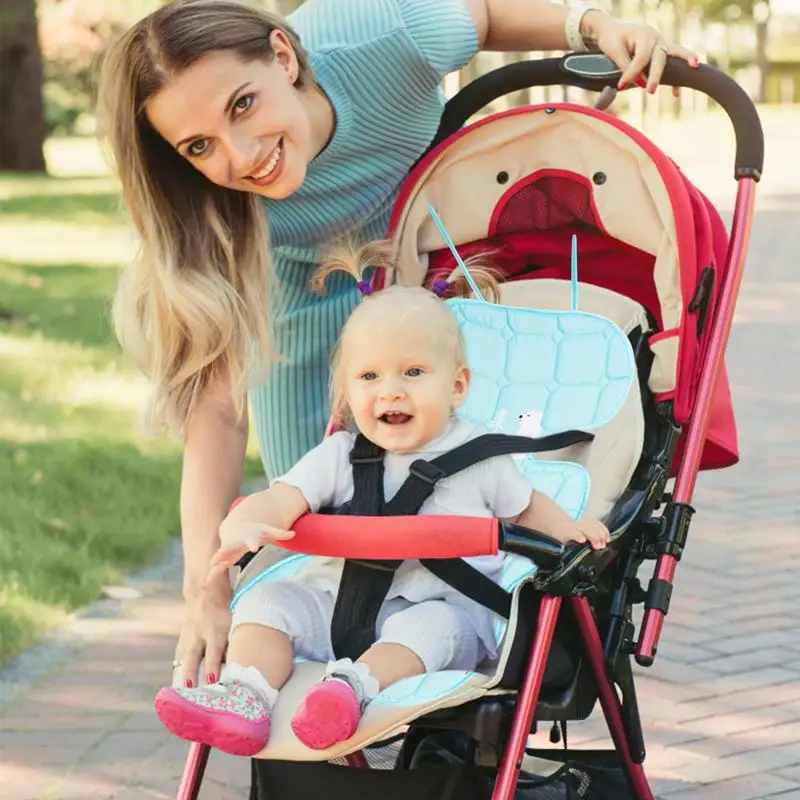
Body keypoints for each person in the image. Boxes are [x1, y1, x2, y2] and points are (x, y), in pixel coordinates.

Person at [95, 0, 698, 699]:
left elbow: (487, 11)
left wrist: (595, 28)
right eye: (198, 146)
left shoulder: (385, 37)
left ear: (284, 58)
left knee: (459, 492)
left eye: (243, 105)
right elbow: (218, 415)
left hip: (433, 255)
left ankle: (447, 712)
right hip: (299, 294)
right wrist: (204, 589)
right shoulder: (210, 211)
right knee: (325, 545)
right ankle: (336, 731)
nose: (239, 155)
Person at [152, 245, 610, 757]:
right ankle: (246, 694)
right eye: (369, 377)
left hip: (436, 607)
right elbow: (286, 497)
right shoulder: (339, 454)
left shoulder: (480, 458)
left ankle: (350, 691)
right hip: (339, 604)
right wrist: (251, 519)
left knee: (431, 628)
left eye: (413, 373)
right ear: (348, 392)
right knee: (266, 602)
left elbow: (525, 510)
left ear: (457, 385)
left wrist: (569, 532)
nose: (389, 392)